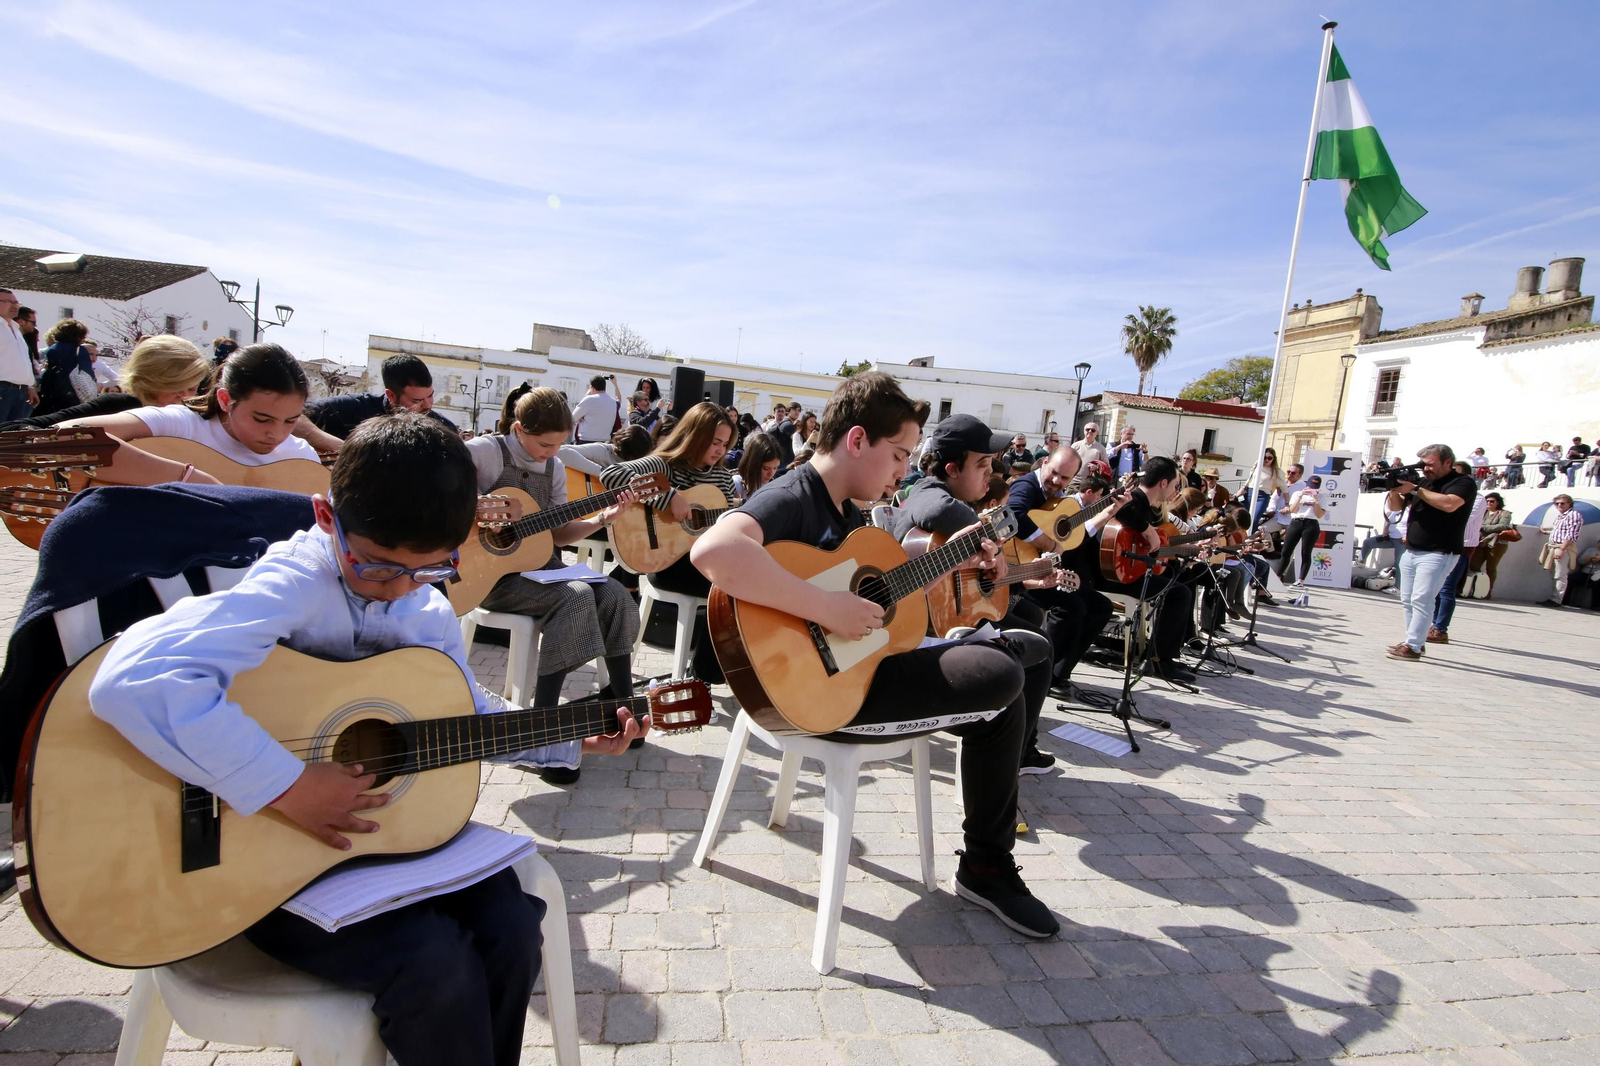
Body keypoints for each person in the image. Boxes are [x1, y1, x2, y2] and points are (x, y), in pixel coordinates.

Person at [89, 413, 646, 1066]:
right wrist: (286, 784)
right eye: (378, 567)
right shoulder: (293, 581)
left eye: (430, 569)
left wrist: (570, 741)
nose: (402, 587)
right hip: (265, 860)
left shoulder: (426, 605)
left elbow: (463, 715)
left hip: (371, 845)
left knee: (516, 928)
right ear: (328, 519)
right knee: (434, 967)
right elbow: (131, 679)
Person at [692, 372, 1060, 938]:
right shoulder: (795, 493)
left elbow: (877, 594)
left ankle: (988, 861)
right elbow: (712, 549)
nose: (901, 472)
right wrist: (824, 607)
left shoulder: (850, 513)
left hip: (852, 671)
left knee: (1004, 675)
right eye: (897, 455)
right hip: (820, 694)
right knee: (1001, 674)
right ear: (857, 440)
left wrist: (951, 564)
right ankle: (986, 865)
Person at [465, 387, 641, 779]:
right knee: (576, 597)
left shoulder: (555, 467)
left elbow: (556, 534)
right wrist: (478, 505)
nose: (551, 453)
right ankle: (545, 731)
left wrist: (602, 518)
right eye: (545, 444)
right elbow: (439, 484)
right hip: (491, 576)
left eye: (560, 445)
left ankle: (622, 703)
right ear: (518, 429)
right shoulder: (485, 451)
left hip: (540, 569)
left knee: (612, 593)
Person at [888, 414, 1059, 773]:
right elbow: (934, 510)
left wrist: (1008, 567)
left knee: (1027, 617)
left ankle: (1020, 744)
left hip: (949, 615)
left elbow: (972, 575)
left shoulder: (950, 496)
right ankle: (1015, 757)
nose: (991, 472)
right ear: (951, 468)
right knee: (1039, 652)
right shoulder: (930, 493)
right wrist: (985, 538)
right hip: (920, 633)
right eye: (981, 464)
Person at [601, 402, 739, 684]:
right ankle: (700, 680)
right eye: (715, 442)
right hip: (667, 563)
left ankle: (704, 676)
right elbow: (611, 476)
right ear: (695, 435)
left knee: (742, 584)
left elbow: (723, 524)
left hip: (702, 563)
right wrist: (667, 494)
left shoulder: (723, 478)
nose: (720, 451)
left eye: (725, 444)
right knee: (731, 588)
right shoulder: (664, 465)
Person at [61, 343, 323, 482]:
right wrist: (186, 477)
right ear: (224, 400)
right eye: (261, 418)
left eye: (290, 421)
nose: (276, 434)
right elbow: (66, 436)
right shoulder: (182, 425)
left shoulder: (300, 458)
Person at [1004, 444, 1120, 698]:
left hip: (1039, 567)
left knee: (1100, 606)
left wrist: (1110, 511)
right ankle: (1042, 674)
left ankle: (1059, 671)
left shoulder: (1057, 500)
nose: (1056, 481)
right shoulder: (1027, 486)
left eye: (1065, 478)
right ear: (1044, 462)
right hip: (1015, 571)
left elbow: (1071, 535)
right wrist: (1047, 543)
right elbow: (1012, 514)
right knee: (1070, 606)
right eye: (1054, 473)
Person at [1096, 456, 1199, 684]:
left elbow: (1148, 550)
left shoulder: (1147, 506)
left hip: (1125, 571)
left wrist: (1181, 554)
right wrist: (1147, 529)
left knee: (1178, 578)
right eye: (1174, 485)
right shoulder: (1135, 498)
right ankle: (1161, 659)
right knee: (1179, 594)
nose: (1175, 490)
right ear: (1163, 483)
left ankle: (1162, 653)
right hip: (1112, 575)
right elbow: (1121, 511)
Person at [2, 333, 211, 430]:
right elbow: (13, 428)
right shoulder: (116, 406)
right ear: (152, 381)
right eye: (177, 389)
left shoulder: (197, 416)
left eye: (192, 389)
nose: (186, 397)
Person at [1385, 445, 1474, 661]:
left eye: (1431, 464)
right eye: (1423, 464)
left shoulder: (1463, 483)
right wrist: (1393, 488)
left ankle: (1414, 646)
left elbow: (1449, 504)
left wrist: (1414, 489)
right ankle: (1413, 641)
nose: (1426, 469)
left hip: (1439, 552)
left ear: (1447, 463)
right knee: (1407, 599)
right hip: (1413, 550)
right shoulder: (1422, 483)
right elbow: (1396, 507)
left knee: (1422, 599)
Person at [298, 354, 458, 450]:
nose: (428, 405)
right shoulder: (354, 408)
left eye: (430, 396)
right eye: (417, 400)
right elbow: (296, 416)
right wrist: (343, 450)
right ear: (391, 396)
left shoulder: (445, 429)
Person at [1428, 461, 1489, 643]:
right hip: (1443, 545)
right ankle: (1434, 624)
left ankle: (1440, 629)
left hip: (1462, 546)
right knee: (1437, 587)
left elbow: (1457, 516)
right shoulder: (1445, 493)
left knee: (1447, 588)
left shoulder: (1477, 498)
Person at [36, 318, 95, 417]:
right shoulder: (80, 350)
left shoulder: (52, 349)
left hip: (53, 389)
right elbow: (87, 371)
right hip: (74, 390)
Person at [1276, 474, 1326, 586]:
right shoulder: (1297, 494)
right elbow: (1292, 510)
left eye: (1314, 487)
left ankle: (1301, 580)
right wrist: (1300, 496)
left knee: (1306, 552)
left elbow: (1319, 514)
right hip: (1296, 522)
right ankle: (1278, 577)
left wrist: (1315, 499)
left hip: (1311, 524)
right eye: (1310, 486)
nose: (1311, 489)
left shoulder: (1321, 496)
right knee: (1286, 551)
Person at [0, 289, 39, 422]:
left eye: (16, 302)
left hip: (22, 393)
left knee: (14, 437)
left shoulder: (15, 328)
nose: (14, 305)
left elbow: (22, 360)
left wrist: (29, 386)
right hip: (3, 390)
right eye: (7, 302)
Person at [1542, 494, 1584, 606]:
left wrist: (1562, 549)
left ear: (1569, 504)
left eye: (1562, 503)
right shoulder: (1561, 516)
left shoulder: (1573, 515)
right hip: (1554, 546)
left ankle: (1556, 600)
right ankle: (1554, 598)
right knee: (1553, 574)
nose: (1559, 505)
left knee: (1560, 574)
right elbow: (1559, 531)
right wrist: (1546, 532)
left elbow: (1571, 534)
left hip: (1562, 548)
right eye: (1557, 503)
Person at [570, 374, 621, 443]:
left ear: (592, 387)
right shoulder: (613, 402)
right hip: (604, 442)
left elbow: (572, 418)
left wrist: (587, 394)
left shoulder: (588, 399)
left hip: (586, 441)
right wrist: (615, 384)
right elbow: (618, 399)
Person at [733, 431, 782, 499]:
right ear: (753, 464)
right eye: (766, 468)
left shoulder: (777, 487)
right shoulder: (736, 484)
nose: (771, 474)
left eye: (775, 468)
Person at [1247, 447, 1287, 528]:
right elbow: (1249, 480)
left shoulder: (1276, 471)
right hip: (1250, 492)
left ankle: (1249, 538)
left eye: (1269, 458)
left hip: (1262, 496)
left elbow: (1284, 488)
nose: (1267, 460)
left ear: (1273, 459)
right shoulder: (1257, 465)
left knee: (1254, 519)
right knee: (1244, 518)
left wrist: (1287, 504)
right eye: (1264, 457)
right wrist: (1240, 491)